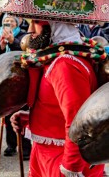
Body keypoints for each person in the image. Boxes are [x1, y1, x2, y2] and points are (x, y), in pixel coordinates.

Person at [10, 20, 104, 176]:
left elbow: (78, 122)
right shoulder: (56, 58)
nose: (31, 29)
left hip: (60, 161)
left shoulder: (65, 64)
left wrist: (70, 168)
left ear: (55, 25)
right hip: (49, 156)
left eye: (36, 22)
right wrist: (30, 118)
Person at [0, 14, 31, 159]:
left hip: (20, 80)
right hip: (3, 81)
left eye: (12, 21)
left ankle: (24, 147)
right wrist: (0, 47)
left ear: (17, 23)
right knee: (7, 115)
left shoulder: (24, 36)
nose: (9, 23)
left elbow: (27, 53)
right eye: (6, 21)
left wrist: (13, 42)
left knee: (21, 112)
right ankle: (11, 144)